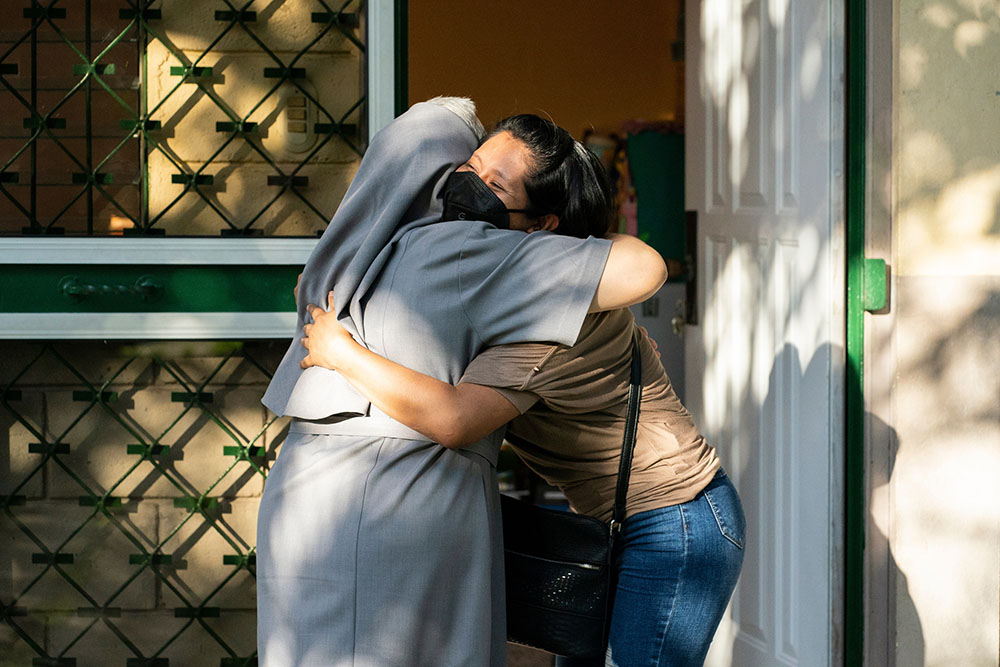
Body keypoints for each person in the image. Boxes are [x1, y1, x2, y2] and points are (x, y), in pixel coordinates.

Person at [298, 143, 745, 667]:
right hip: (619, 517)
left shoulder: (549, 323)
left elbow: (455, 419)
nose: (471, 185)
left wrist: (341, 353)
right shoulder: (515, 285)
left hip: (678, 521)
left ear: (540, 225)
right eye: (472, 167)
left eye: (496, 186)